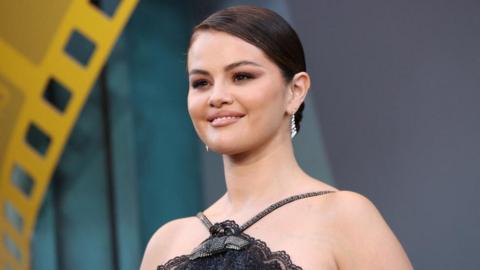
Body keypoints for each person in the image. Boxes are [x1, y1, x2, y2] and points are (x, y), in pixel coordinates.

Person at [141, 5, 412, 270]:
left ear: (295, 91)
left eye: (242, 76)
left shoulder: (346, 218)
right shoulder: (166, 243)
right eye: (201, 82)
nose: (217, 97)